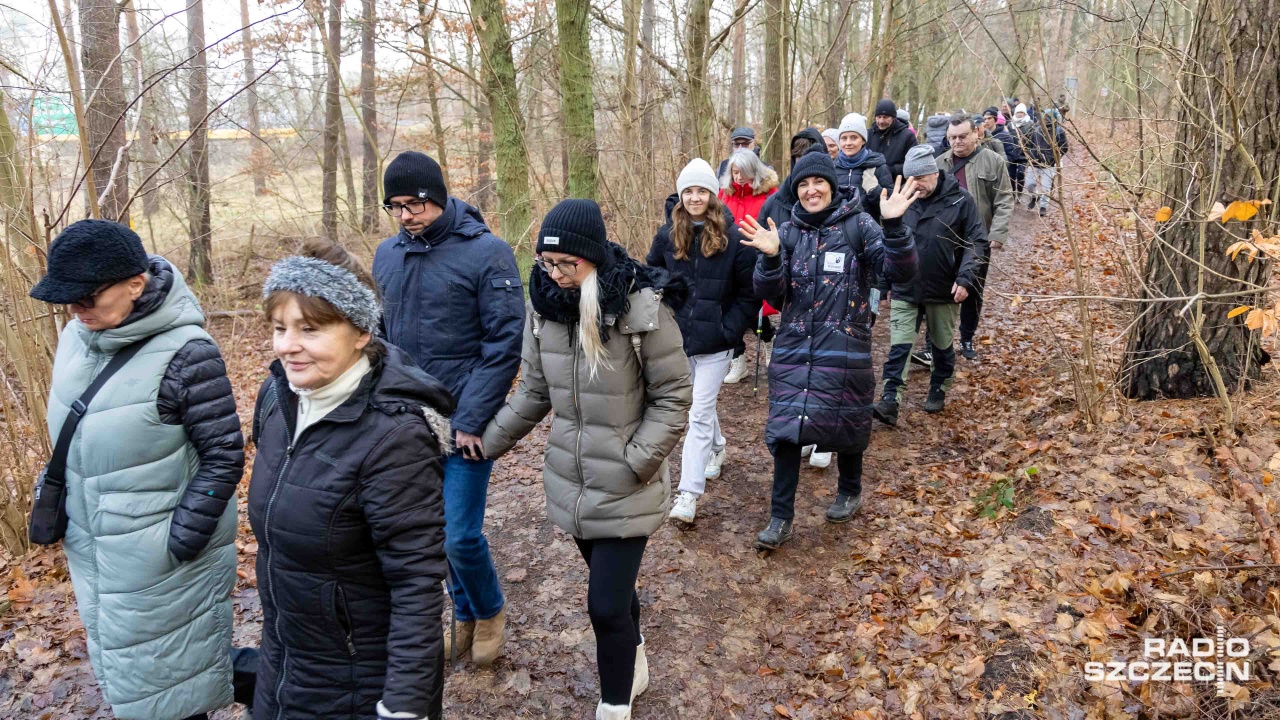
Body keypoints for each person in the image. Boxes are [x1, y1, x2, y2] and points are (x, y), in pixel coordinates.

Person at [482, 199, 693, 720]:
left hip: (626, 483)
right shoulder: (546, 310)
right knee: (615, 596)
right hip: (572, 485)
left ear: (593, 258)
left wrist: (635, 462)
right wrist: (483, 443)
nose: (554, 276)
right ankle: (634, 652)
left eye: (566, 266)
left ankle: (614, 704)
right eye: (546, 264)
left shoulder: (640, 308)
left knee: (603, 606)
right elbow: (533, 391)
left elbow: (674, 394)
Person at [31, 220, 243, 720]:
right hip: (94, 548)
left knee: (173, 688)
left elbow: (224, 454)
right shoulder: (75, 337)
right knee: (130, 676)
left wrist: (180, 540)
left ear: (136, 284)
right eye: (68, 300)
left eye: (86, 298)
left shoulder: (188, 354)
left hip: (159, 556)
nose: (75, 310)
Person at [250, 242, 449, 720]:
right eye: (280, 328)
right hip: (284, 664)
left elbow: (416, 582)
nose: (287, 345)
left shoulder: (394, 437)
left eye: (310, 329)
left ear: (361, 332)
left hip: (361, 683)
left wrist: (404, 705)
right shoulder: (278, 400)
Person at [371, 150, 524, 666]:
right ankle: (462, 614)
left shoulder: (488, 254)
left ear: (437, 196)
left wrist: (472, 418)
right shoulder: (387, 256)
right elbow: (380, 339)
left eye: (414, 203)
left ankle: (489, 608)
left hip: (464, 422)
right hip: (406, 422)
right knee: (433, 536)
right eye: (396, 206)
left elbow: (504, 343)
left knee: (460, 535)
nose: (406, 214)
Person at [737, 152, 919, 551]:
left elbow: (898, 273)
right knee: (786, 434)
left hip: (845, 345)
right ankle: (780, 518)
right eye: (803, 184)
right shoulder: (785, 232)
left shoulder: (859, 225)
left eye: (818, 182)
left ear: (832, 186)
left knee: (849, 425)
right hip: (794, 348)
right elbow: (771, 294)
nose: (811, 190)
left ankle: (849, 490)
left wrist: (894, 226)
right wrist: (769, 259)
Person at [647, 159, 758, 526]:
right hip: (678, 340)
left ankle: (688, 493)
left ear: (713, 194)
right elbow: (652, 275)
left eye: (701, 191)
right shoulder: (667, 235)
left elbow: (749, 293)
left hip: (717, 342)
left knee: (695, 413)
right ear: (681, 195)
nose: (695, 197)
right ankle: (719, 448)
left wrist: (730, 331)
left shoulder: (735, 237)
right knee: (699, 405)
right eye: (688, 191)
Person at [874, 146, 988, 424]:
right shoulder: (902, 200)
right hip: (906, 286)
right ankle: (890, 399)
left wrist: (965, 279)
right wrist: (883, 282)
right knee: (900, 346)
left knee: (941, 344)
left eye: (922, 178)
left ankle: (939, 386)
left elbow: (976, 242)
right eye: (912, 179)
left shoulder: (960, 200)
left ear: (935, 173)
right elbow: (887, 242)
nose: (917, 185)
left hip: (944, 288)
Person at [937, 115, 1013, 361]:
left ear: (976, 134)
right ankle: (936, 342)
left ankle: (967, 337)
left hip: (976, 240)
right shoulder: (938, 164)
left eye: (962, 136)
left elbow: (1004, 200)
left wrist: (997, 234)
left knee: (972, 290)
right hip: (943, 239)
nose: (957, 142)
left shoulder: (994, 162)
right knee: (939, 291)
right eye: (952, 137)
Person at [718, 149, 781, 385]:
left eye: (742, 172)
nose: (738, 177)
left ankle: (768, 339)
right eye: (734, 172)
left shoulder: (770, 195)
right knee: (730, 311)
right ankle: (738, 359)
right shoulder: (724, 195)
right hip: (729, 261)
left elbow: (775, 227)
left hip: (756, 259)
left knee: (757, 309)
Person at [758, 127, 826, 229]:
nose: (805, 163)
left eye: (810, 156)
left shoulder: (841, 204)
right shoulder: (773, 203)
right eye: (800, 157)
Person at [833, 112, 893, 214]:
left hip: (868, 227)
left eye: (854, 137)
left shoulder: (877, 166)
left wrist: (874, 190)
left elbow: (890, 206)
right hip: (837, 227)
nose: (848, 143)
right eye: (844, 138)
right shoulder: (832, 167)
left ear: (863, 140)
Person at [1023, 110, 1070, 217]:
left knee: (1045, 188)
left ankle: (1043, 206)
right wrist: (1030, 154)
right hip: (1034, 163)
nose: (1045, 119)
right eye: (1044, 117)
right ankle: (1034, 197)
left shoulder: (1058, 131)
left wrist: (1055, 158)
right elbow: (1027, 143)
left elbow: (1064, 147)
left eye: (1047, 117)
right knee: (1029, 184)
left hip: (1049, 165)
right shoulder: (1035, 129)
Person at [867, 99, 915, 177]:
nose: (881, 121)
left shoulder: (907, 136)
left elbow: (912, 164)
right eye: (878, 117)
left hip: (896, 182)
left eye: (885, 117)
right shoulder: (868, 134)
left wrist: (889, 170)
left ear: (893, 118)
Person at [1005, 104, 1032, 202]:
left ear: (1024, 113)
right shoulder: (1010, 125)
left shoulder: (1030, 124)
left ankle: (1019, 193)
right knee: (1011, 175)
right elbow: (1006, 138)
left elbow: (1032, 139)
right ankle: (1013, 193)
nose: (1020, 114)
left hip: (1023, 155)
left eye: (1021, 112)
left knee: (1020, 174)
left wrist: (1027, 150)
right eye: (1018, 112)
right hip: (1012, 154)